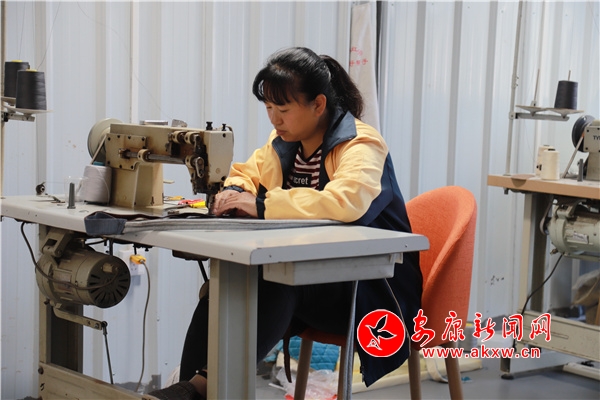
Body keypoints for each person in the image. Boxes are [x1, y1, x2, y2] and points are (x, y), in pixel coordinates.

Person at [150, 46, 422, 400]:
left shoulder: (361, 143)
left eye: (283, 110)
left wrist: (261, 206)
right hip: (317, 278)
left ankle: (200, 387)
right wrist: (233, 192)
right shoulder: (283, 144)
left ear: (318, 105)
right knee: (223, 288)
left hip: (368, 288)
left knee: (277, 281)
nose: (274, 120)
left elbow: (346, 202)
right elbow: (246, 173)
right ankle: (192, 388)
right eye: (268, 109)